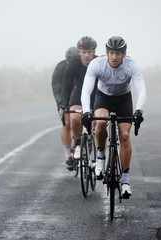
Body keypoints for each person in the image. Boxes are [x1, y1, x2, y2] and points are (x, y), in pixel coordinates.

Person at [81, 36, 147, 199]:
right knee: (101, 123)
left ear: (124, 54)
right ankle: (101, 157)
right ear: (106, 53)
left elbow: (141, 90)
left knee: (124, 136)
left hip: (124, 99)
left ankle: (125, 181)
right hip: (103, 97)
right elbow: (87, 90)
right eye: (111, 53)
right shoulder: (97, 65)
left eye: (118, 53)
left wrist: (139, 111)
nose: (114, 57)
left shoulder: (132, 65)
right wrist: (86, 112)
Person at [61, 36, 98, 170]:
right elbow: (65, 86)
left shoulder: (99, 62)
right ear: (79, 52)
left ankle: (93, 144)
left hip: (95, 95)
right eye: (84, 52)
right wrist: (63, 105)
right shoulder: (74, 64)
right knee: (75, 119)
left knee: (96, 122)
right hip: (79, 94)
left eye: (89, 52)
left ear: (94, 52)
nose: (87, 55)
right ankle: (77, 143)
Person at [51, 46, 80, 165]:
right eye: (69, 62)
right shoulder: (60, 67)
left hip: (79, 97)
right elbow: (57, 88)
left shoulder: (82, 66)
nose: (70, 65)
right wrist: (60, 105)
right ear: (66, 60)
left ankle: (82, 143)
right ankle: (68, 156)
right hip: (65, 98)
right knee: (67, 123)